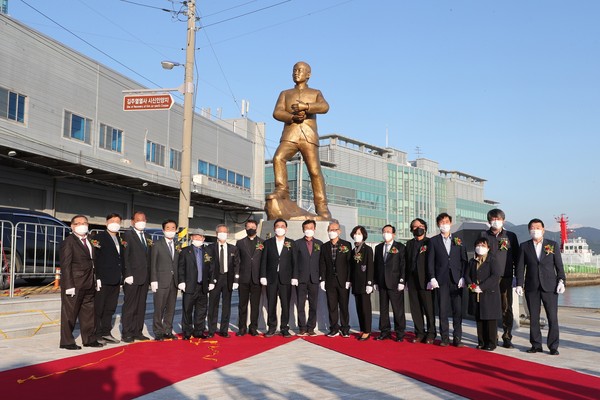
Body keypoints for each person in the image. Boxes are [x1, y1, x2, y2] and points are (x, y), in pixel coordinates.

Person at [266, 61, 331, 220]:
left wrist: (306, 107)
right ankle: (282, 190)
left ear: (308, 75)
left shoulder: (315, 92)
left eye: (300, 70)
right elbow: (277, 112)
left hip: (308, 135)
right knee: (278, 158)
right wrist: (292, 117)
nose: (296, 73)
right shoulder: (285, 93)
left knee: (314, 171)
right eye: (294, 70)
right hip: (291, 133)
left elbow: (324, 107)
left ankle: (322, 207)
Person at [516, 218, 566, 355]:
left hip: (550, 286)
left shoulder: (552, 245)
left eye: (538, 227)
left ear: (543, 230)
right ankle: (536, 344)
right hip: (532, 286)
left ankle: (553, 346)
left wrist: (562, 280)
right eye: (532, 228)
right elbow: (520, 267)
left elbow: (559, 266)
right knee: (533, 317)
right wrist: (519, 284)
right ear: (529, 230)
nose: (535, 230)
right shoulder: (524, 246)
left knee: (552, 317)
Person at [59, 215, 103, 349]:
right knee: (70, 314)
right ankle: (67, 341)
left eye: (85, 223)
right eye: (78, 223)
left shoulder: (89, 240)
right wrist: (69, 285)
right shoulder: (69, 242)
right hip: (75, 283)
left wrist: (97, 278)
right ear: (72, 226)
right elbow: (65, 265)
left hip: (89, 281)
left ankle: (89, 338)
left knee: (88, 312)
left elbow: (93, 261)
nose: (82, 225)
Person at [480, 208, 520, 349]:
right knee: (491, 307)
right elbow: (479, 256)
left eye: (498, 219)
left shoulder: (511, 236)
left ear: (503, 220)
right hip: (489, 278)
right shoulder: (484, 235)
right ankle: (492, 337)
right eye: (492, 219)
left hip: (505, 277)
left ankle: (507, 336)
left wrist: (518, 278)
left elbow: (517, 258)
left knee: (506, 307)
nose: (495, 221)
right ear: (489, 221)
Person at [427, 213, 468, 347]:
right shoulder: (433, 241)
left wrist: (463, 276)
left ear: (450, 223)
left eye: (446, 222)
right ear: (438, 225)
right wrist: (432, 277)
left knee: (457, 310)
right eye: (441, 222)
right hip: (441, 279)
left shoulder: (458, 240)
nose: (444, 224)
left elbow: (464, 260)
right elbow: (430, 261)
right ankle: (445, 337)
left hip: (456, 279)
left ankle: (457, 337)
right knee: (443, 310)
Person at [260, 218, 295, 337]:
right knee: (271, 304)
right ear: (274, 228)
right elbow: (263, 260)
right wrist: (263, 275)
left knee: (285, 304)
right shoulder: (268, 243)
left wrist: (294, 276)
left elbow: (294, 261)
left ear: (286, 228)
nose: (280, 228)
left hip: (286, 279)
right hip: (271, 278)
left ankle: (284, 328)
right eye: (278, 226)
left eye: (282, 226)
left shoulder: (291, 243)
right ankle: (272, 327)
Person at [93, 213, 124, 345]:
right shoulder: (99, 238)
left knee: (110, 308)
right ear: (106, 223)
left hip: (115, 279)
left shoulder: (120, 239)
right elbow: (96, 258)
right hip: (103, 279)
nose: (115, 223)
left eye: (118, 221)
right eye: (112, 221)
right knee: (99, 307)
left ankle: (106, 332)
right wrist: (97, 277)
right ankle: (96, 333)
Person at [465, 238, 502, 351]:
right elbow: (467, 275)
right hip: (476, 294)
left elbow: (495, 276)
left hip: (489, 293)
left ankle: (491, 342)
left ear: (488, 248)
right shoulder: (472, 261)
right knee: (479, 318)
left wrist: (482, 287)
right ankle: (481, 341)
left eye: (483, 245)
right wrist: (471, 285)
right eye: (478, 244)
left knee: (490, 319)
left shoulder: (492, 260)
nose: (480, 247)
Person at [121, 211, 152, 343]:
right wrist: (127, 274)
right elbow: (125, 256)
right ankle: (127, 332)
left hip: (144, 277)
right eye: (139, 219)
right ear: (133, 222)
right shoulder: (127, 235)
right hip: (132, 277)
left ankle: (137, 331)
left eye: (144, 219)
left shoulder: (147, 236)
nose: (141, 221)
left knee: (141, 306)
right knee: (130, 306)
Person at [373, 224, 407, 341]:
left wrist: (402, 281)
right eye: (384, 231)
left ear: (393, 234)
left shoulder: (400, 247)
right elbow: (376, 265)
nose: (385, 233)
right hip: (382, 283)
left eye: (388, 231)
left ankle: (400, 333)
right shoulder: (378, 248)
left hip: (395, 283)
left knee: (398, 309)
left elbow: (403, 265)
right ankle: (384, 331)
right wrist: (375, 281)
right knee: (383, 309)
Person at [405, 218, 436, 344]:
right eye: (415, 226)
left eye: (421, 225)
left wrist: (432, 278)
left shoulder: (430, 242)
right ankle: (419, 333)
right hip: (412, 279)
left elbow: (433, 261)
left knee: (428, 308)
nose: (419, 228)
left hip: (425, 279)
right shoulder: (409, 244)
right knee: (415, 308)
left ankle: (431, 333)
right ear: (412, 229)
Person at [319, 221, 352, 338]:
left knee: (343, 305)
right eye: (330, 230)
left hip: (343, 280)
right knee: (332, 306)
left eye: (334, 230)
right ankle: (334, 328)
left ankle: (345, 328)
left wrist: (349, 279)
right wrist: (322, 279)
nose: (332, 232)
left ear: (339, 231)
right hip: (330, 280)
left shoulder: (346, 245)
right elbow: (322, 264)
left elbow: (349, 264)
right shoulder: (324, 246)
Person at [206, 224, 240, 338]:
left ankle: (224, 330)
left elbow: (236, 265)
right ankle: (211, 329)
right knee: (213, 305)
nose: (222, 234)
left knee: (226, 305)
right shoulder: (210, 248)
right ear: (216, 234)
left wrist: (236, 279)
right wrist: (210, 281)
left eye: (225, 232)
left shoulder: (233, 248)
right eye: (220, 232)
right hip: (215, 279)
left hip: (228, 279)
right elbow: (208, 265)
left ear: (228, 234)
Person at [177, 228, 212, 340]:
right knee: (187, 309)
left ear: (203, 238)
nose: (197, 238)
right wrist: (181, 281)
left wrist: (211, 281)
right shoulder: (185, 251)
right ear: (191, 238)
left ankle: (199, 331)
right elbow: (181, 268)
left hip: (203, 286)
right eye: (195, 236)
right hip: (189, 285)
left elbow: (212, 268)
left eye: (200, 236)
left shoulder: (207, 252)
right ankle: (187, 332)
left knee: (201, 310)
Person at [150, 219, 180, 341]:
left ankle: (168, 330)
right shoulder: (157, 244)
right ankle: (158, 332)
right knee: (159, 308)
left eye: (173, 228)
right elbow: (153, 263)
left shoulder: (177, 245)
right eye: (168, 228)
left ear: (176, 230)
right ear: (163, 230)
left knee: (171, 308)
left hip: (174, 281)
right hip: (161, 281)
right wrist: (153, 280)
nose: (171, 230)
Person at [292, 219, 323, 336]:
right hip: (301, 278)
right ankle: (302, 327)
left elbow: (322, 262)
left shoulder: (319, 244)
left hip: (314, 278)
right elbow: (294, 261)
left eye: (311, 228)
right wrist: (294, 276)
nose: (309, 230)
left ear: (314, 229)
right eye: (306, 228)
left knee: (313, 304)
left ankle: (311, 327)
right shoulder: (297, 243)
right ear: (303, 230)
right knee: (300, 304)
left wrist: (322, 277)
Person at [236, 219, 264, 336]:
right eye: (248, 227)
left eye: (253, 226)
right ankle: (242, 327)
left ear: (256, 228)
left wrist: (263, 276)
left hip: (257, 279)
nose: (251, 228)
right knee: (242, 305)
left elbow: (264, 261)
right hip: (244, 278)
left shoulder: (262, 243)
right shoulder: (240, 243)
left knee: (255, 305)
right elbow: (237, 261)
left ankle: (253, 327)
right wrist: (236, 277)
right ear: (245, 229)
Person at [349, 225, 374, 341]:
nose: (356, 235)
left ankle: (367, 330)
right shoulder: (353, 250)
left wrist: (369, 283)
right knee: (359, 307)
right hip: (356, 283)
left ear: (363, 235)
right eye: (355, 233)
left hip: (365, 283)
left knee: (365, 307)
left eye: (359, 233)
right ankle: (362, 328)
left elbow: (370, 267)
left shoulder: (367, 249)